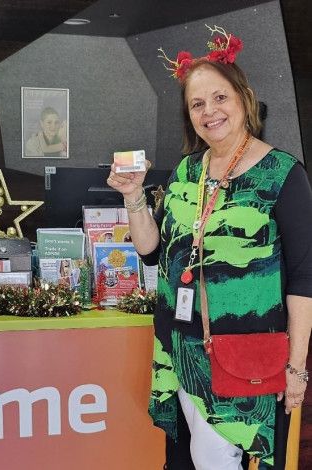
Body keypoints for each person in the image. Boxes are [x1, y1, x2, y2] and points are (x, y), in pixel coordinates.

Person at [107, 26, 312, 469]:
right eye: (197, 104)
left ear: (244, 98)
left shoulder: (283, 175)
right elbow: (151, 250)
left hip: (244, 359)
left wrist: (296, 368)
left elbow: (303, 279)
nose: (209, 111)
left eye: (220, 98)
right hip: (181, 350)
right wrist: (132, 195)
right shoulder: (185, 172)